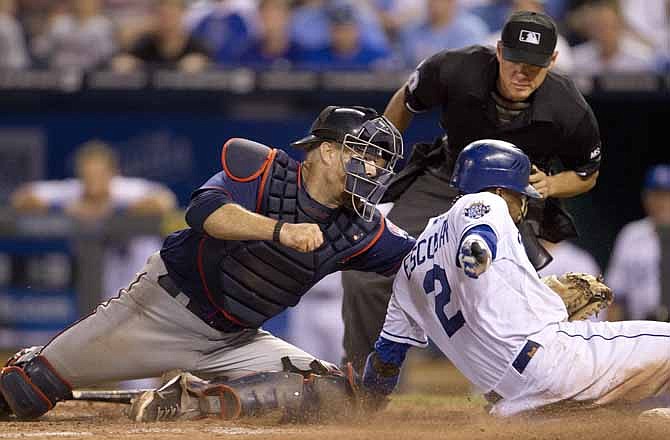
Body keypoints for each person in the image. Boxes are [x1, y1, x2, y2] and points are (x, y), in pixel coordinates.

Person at [0, 106, 415, 422]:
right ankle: (40, 369)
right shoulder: (263, 169)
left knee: (334, 395)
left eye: (379, 161)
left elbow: (418, 260)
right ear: (327, 151)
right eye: (365, 155)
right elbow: (204, 213)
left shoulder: (363, 228)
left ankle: (188, 399)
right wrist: (279, 231)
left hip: (238, 340)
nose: (375, 169)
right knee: (27, 389)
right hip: (161, 312)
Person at [341, 9, 602, 372]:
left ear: (553, 61)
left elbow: (588, 172)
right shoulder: (456, 69)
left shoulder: (567, 105)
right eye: (515, 59)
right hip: (448, 177)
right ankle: (362, 377)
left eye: (535, 64)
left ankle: (521, 386)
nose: (522, 72)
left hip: (514, 194)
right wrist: (383, 151)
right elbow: (407, 98)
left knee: (504, 297)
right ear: (498, 50)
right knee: (367, 274)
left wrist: (555, 183)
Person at [361, 140, 670, 417]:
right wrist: (475, 257)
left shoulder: (409, 269)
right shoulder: (484, 202)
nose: (523, 205)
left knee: (619, 422)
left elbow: (386, 360)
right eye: (519, 195)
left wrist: (362, 404)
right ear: (498, 189)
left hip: (514, 400)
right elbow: (478, 238)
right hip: (556, 361)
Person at [10, 140, 177, 302]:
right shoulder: (74, 192)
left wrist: (115, 209)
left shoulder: (124, 189)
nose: (93, 180)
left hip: (144, 275)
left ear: (112, 173)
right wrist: (62, 207)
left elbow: (165, 201)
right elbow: (21, 199)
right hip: (103, 284)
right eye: (88, 174)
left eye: (99, 174)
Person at [606, 164, 670, 322]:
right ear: (645, 197)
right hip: (643, 327)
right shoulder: (632, 235)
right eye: (655, 195)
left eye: (666, 195)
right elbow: (615, 296)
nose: (661, 202)